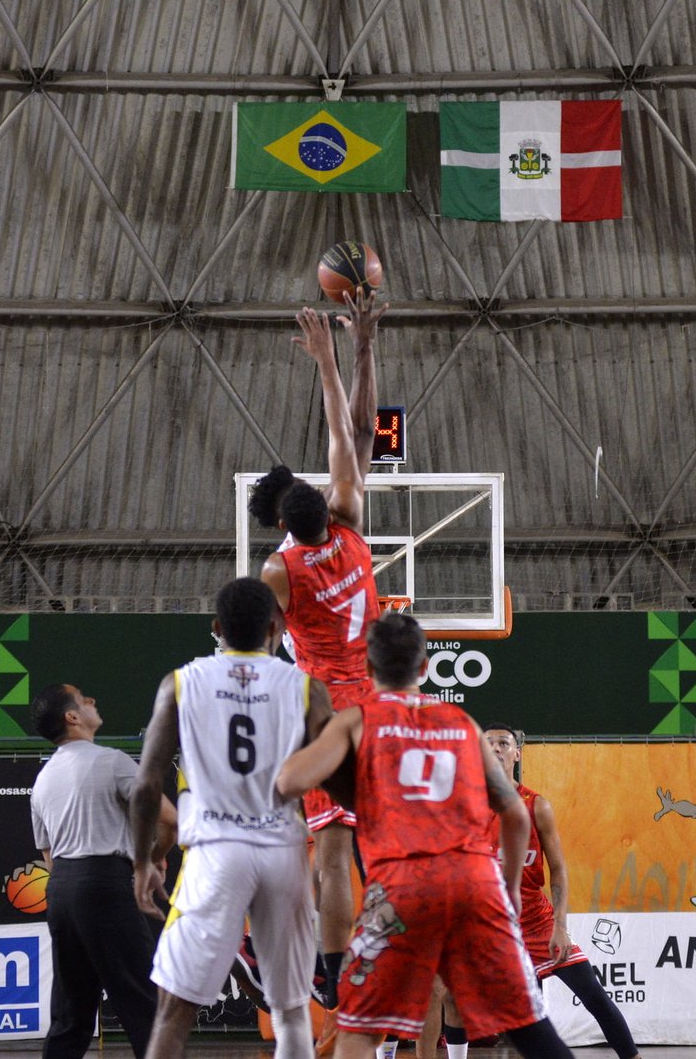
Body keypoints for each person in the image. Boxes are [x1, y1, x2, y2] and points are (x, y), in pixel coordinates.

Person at [274, 614, 574, 1059]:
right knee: (531, 1027)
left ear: (369, 671)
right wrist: (507, 890)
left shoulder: (358, 720)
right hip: (477, 884)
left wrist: (330, 752)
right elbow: (514, 814)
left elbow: (289, 781)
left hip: (402, 887)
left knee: (358, 1029)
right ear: (426, 668)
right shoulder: (463, 723)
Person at [130, 577, 335, 1059]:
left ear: (217, 627)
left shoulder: (181, 683)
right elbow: (333, 781)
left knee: (174, 1012)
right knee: (289, 1010)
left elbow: (145, 786)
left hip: (216, 852)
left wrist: (143, 862)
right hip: (283, 849)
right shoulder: (306, 688)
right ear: (275, 627)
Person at [249, 294, 385, 1007]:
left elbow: (258, 637)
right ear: (326, 504)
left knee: (331, 855)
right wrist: (347, 353)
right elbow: (350, 431)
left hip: (328, 712)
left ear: (280, 522)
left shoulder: (281, 572)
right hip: (381, 706)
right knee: (387, 842)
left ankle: (333, 974)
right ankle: (400, 942)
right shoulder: (354, 521)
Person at [29, 683, 178, 1059]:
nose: (93, 699)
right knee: (146, 1006)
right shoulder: (111, 760)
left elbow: (50, 860)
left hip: (61, 891)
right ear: (73, 717)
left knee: (71, 1015)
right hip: (104, 885)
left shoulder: (42, 781)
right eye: (83, 698)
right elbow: (171, 821)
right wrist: (153, 857)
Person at [481, 724, 639, 1059]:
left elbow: (559, 869)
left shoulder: (536, 805)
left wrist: (560, 925)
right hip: (495, 927)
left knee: (594, 995)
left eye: (503, 743)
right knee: (521, 1021)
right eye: (488, 743)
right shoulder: (466, 807)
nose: (496, 748)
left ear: (516, 754)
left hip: (538, 921)